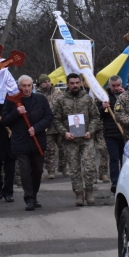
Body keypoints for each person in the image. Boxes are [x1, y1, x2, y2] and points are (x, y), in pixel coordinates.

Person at [2, 75, 53, 211]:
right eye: (23, 86)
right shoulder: (12, 100)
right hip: (20, 141)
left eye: (29, 85)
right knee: (24, 171)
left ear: (33, 86)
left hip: (37, 141)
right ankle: (29, 198)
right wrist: (16, 112)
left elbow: (48, 117)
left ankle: (34, 195)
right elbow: (5, 120)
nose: (26, 88)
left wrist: (36, 128)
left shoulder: (40, 99)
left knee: (37, 171)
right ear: (19, 87)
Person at [51, 73, 101, 206]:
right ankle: (79, 193)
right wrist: (64, 132)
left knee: (89, 166)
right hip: (70, 140)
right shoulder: (61, 100)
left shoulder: (87, 99)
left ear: (80, 83)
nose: (75, 85)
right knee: (74, 168)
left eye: (77, 83)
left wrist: (90, 130)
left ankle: (89, 192)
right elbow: (56, 119)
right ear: (67, 84)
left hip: (86, 138)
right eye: (72, 83)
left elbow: (96, 117)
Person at [98, 75, 126, 192]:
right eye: (113, 86)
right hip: (110, 133)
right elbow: (98, 115)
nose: (116, 88)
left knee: (124, 159)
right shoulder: (104, 97)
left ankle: (125, 181)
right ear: (109, 86)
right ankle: (115, 182)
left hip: (125, 132)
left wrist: (124, 94)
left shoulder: (126, 95)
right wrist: (103, 107)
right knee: (114, 158)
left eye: (118, 85)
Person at [36, 74, 66, 180]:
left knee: (63, 147)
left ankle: (63, 167)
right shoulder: (37, 95)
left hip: (59, 125)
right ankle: (50, 170)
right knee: (49, 150)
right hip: (47, 127)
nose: (47, 83)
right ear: (40, 84)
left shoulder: (58, 92)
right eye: (44, 82)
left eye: (48, 81)